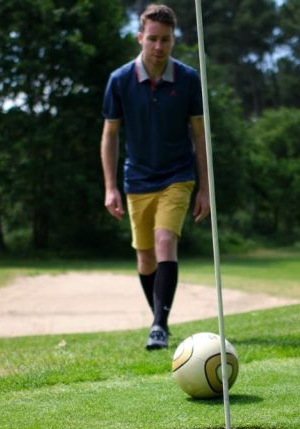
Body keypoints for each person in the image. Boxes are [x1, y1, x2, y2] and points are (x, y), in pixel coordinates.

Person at [101, 4, 210, 350]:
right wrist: (110, 187)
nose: (159, 46)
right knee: (145, 257)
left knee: (165, 241)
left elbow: (200, 135)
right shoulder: (120, 80)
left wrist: (205, 188)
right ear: (140, 38)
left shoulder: (189, 79)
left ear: (174, 39)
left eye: (165, 39)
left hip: (178, 175)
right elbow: (110, 135)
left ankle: (159, 326)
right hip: (137, 179)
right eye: (152, 39)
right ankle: (159, 320)